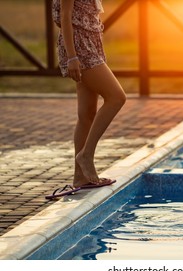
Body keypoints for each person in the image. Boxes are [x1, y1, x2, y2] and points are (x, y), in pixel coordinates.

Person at [46, 0, 126, 199]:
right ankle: (86, 154)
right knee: (116, 97)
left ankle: (80, 178)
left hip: (91, 43)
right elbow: (65, 15)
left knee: (87, 113)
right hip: (80, 47)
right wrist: (72, 57)